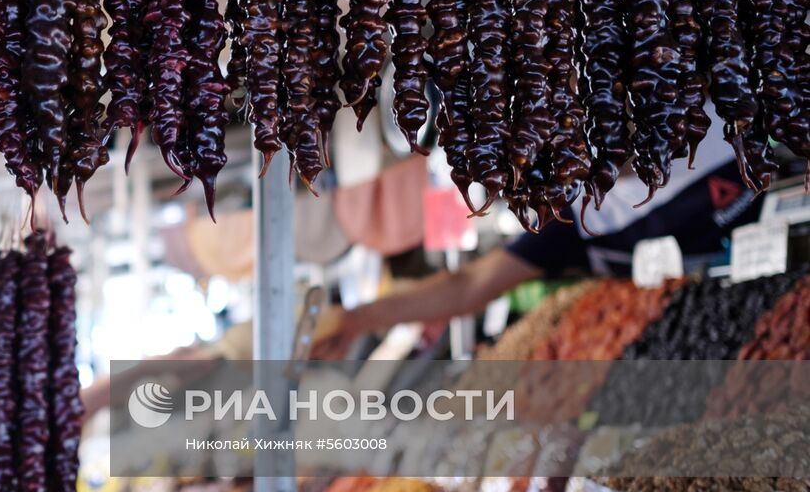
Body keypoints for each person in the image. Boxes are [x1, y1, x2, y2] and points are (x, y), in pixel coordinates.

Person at [311, 138, 770, 359]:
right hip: (728, 332)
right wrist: (358, 320)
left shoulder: (712, 122)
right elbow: (471, 283)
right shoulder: (576, 221)